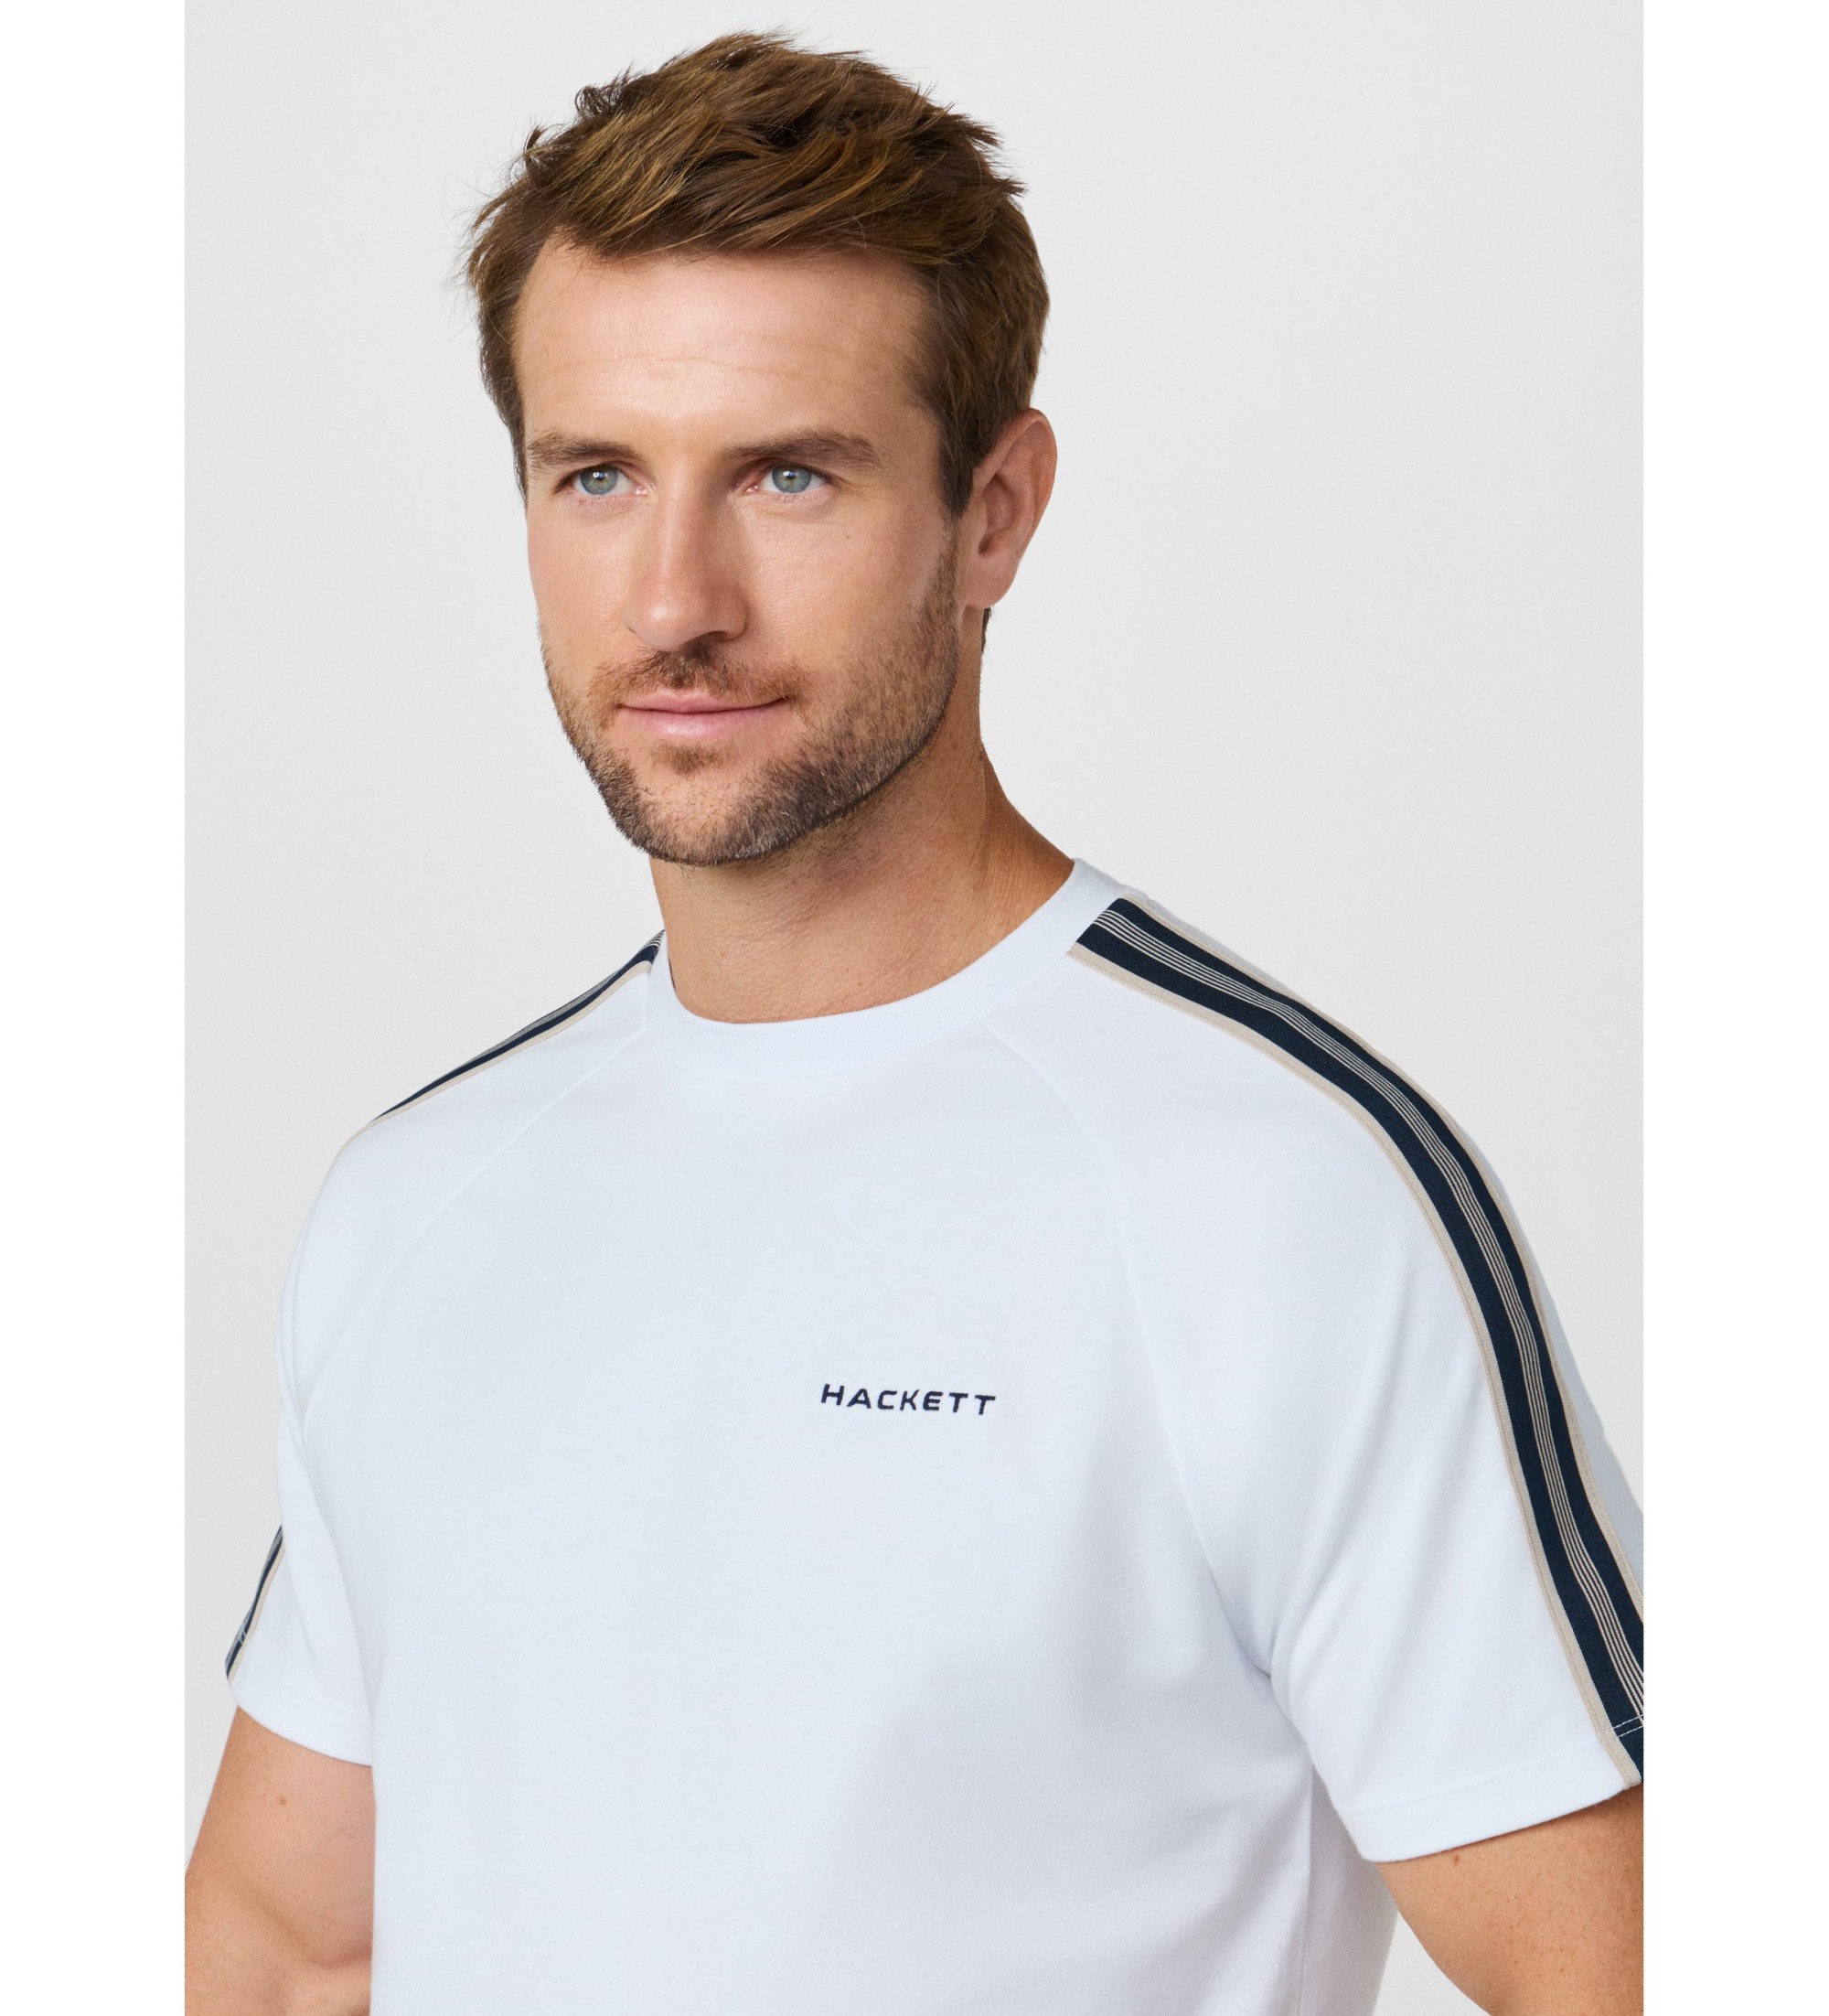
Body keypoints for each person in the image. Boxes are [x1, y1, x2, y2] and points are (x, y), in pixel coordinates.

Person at [186, 31, 1642, 2016]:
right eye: (597, 474)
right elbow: (291, 1947)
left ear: (995, 513)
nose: (672, 601)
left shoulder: (1283, 1196)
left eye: (788, 474)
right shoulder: (419, 1200)